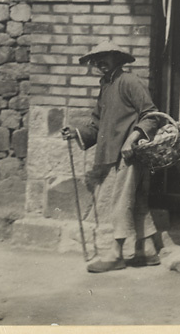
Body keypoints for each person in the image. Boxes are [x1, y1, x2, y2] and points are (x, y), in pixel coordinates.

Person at [61, 40, 160, 273]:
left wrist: (132, 138)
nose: (98, 63)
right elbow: (97, 122)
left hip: (130, 153)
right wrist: (76, 133)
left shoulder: (129, 81)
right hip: (116, 153)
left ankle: (116, 255)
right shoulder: (106, 85)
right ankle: (147, 251)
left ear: (117, 58)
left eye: (104, 57)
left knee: (120, 201)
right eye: (95, 59)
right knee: (136, 203)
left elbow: (152, 115)